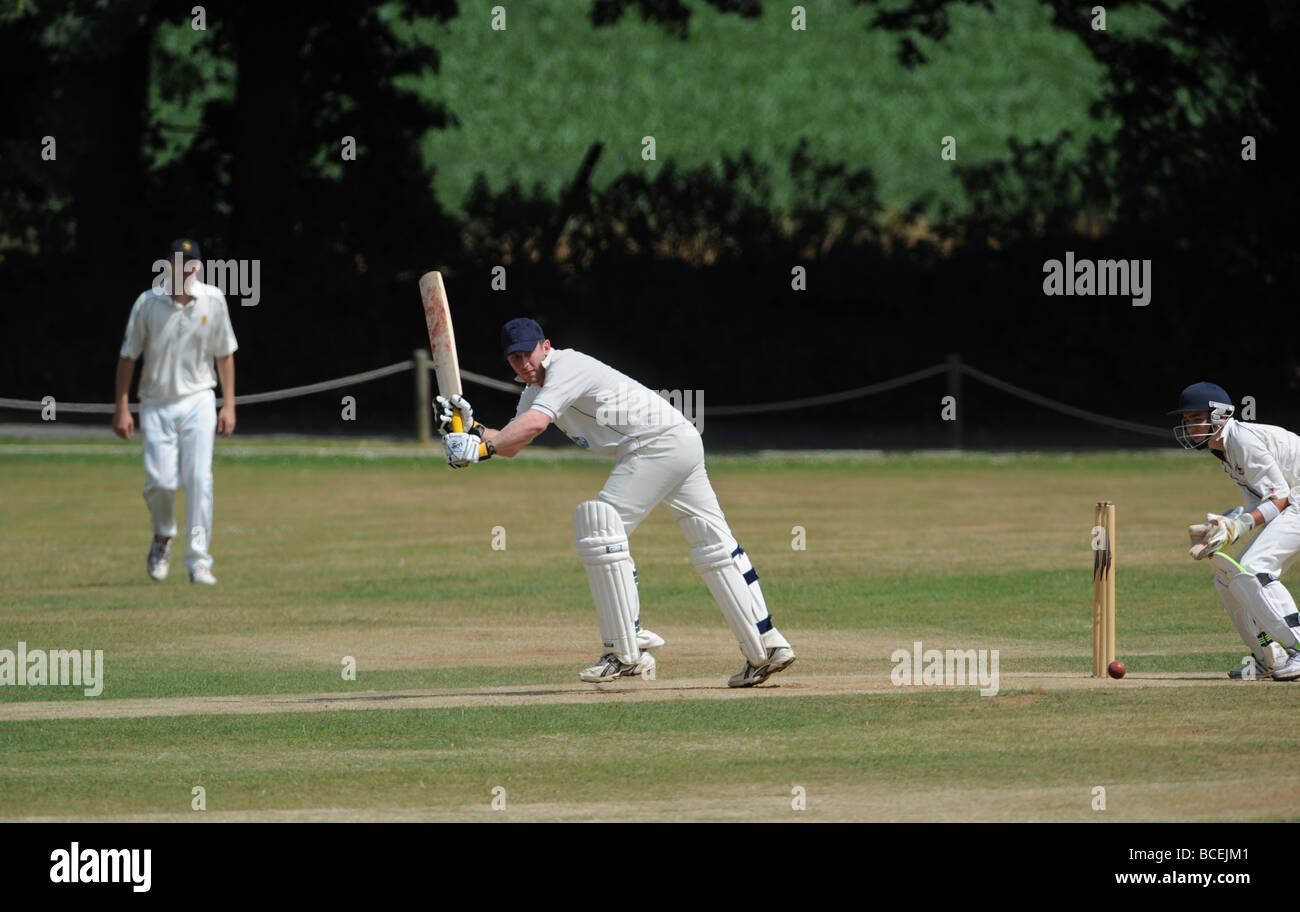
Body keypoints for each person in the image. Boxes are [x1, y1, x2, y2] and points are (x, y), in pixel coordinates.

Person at [438, 317, 796, 686]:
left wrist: (481, 448)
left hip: (655, 445)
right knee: (714, 545)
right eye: (514, 358)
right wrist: (472, 429)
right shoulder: (534, 393)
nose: (523, 363)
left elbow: (534, 426)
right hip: (677, 440)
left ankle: (625, 652)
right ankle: (766, 646)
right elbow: (512, 443)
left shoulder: (567, 366)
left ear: (545, 346)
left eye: (528, 353)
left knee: (599, 525)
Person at [113, 239, 238, 585]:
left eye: (189, 265)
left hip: (199, 399)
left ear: (197, 267)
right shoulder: (148, 303)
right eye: (176, 264)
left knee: (199, 478)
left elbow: (224, 354)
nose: (182, 270)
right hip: (155, 402)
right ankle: (163, 535)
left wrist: (228, 404)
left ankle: (199, 560)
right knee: (161, 483)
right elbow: (128, 357)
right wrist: (122, 407)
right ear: (166, 265)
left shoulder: (213, 300)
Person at [1172, 381, 1300, 680]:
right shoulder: (1225, 451)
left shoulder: (1242, 439)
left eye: (1196, 419)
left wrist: (1239, 525)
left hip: (1295, 498)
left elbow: (1279, 499)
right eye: (1186, 421)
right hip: (1292, 501)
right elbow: (1260, 506)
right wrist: (1224, 525)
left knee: (1255, 570)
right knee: (1228, 579)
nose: (1190, 427)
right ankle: (1270, 656)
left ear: (1219, 415)